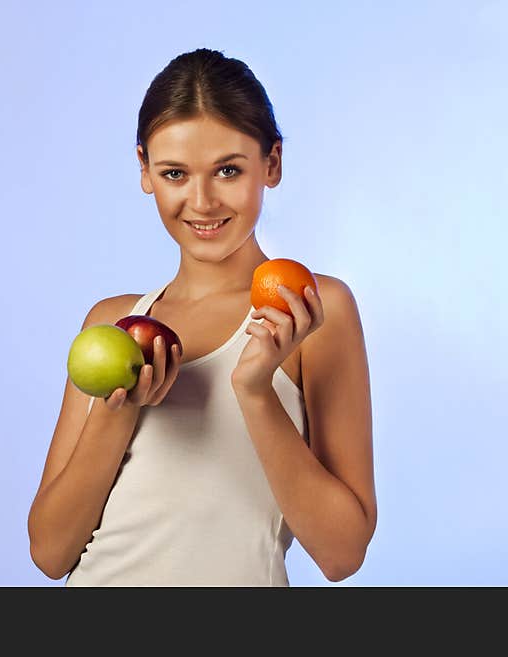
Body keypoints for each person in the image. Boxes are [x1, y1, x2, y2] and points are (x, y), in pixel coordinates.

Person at [27, 48, 376, 586]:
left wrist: (256, 392)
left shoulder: (310, 313)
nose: (202, 200)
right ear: (144, 170)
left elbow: (341, 554)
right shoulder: (113, 321)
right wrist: (120, 408)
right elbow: (50, 552)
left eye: (228, 170)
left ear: (273, 164)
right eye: (174, 173)